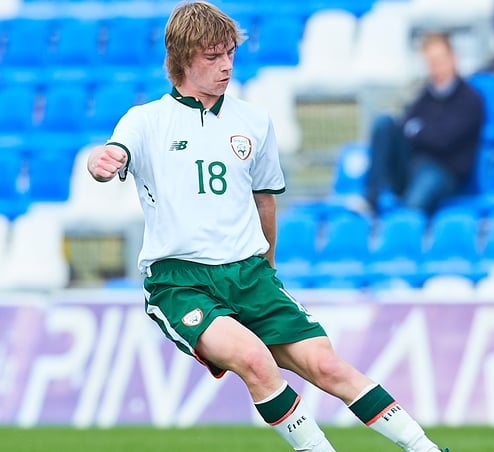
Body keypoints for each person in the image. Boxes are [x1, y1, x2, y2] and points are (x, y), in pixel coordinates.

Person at [86, 3, 448, 452]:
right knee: (255, 360)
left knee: (327, 366)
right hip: (181, 282)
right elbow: (109, 156)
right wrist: (103, 163)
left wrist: (268, 266)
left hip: (250, 275)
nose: (227, 66)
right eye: (213, 57)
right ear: (182, 57)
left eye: (229, 54)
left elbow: (264, 200)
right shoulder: (146, 121)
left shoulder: (254, 122)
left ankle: (427, 448)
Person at [360, 32, 484, 216]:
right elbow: (406, 126)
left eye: (439, 59)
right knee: (384, 123)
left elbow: (444, 140)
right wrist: (423, 131)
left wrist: (419, 131)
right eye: (431, 61)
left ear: (452, 58)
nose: (436, 66)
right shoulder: (424, 96)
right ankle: (370, 199)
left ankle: (403, 234)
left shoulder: (470, 99)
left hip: (444, 172)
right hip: (412, 167)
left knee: (412, 208)